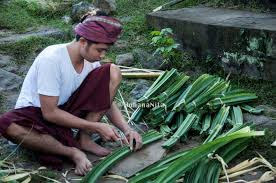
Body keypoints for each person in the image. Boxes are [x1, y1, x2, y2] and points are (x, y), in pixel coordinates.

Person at [0, 11, 142, 176]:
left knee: (112, 71)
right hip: (37, 114)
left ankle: (84, 139)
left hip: (67, 111)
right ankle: (72, 152)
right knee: (8, 125)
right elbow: (50, 113)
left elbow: (106, 101)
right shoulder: (52, 59)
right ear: (83, 41)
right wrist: (96, 126)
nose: (103, 55)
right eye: (100, 50)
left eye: (105, 50)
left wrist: (127, 129)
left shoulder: (92, 62)